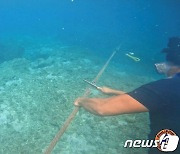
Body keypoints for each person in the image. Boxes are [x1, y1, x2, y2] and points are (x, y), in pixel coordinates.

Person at [74, 37, 180, 153]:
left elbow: (102, 108)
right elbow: (151, 99)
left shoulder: (166, 87)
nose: (162, 66)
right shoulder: (169, 90)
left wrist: (81, 100)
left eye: (167, 61)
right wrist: (113, 91)